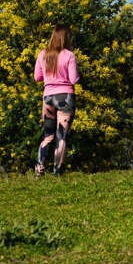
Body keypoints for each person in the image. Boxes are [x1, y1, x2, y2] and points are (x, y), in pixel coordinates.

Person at [33, 24, 80, 176]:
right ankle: (57, 171)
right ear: (67, 38)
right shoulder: (69, 55)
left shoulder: (43, 54)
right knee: (61, 137)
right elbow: (74, 79)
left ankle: (39, 168)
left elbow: (37, 77)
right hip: (65, 97)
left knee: (48, 136)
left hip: (48, 97)